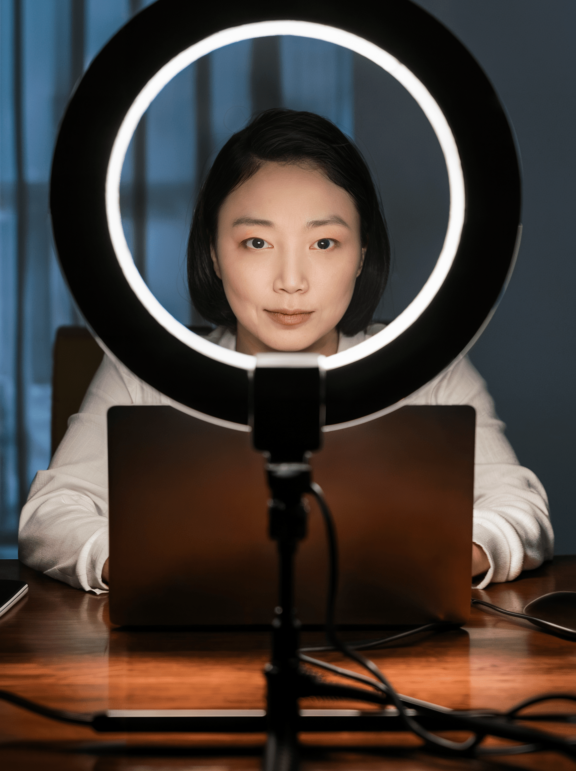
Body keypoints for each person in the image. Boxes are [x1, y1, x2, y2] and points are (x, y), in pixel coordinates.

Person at [19, 109, 553, 593]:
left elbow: (520, 508)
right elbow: (49, 515)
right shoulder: (146, 371)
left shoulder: (423, 369)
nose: (291, 282)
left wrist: (440, 557)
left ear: (363, 253)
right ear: (213, 250)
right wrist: (152, 563)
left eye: (324, 243)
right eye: (257, 243)